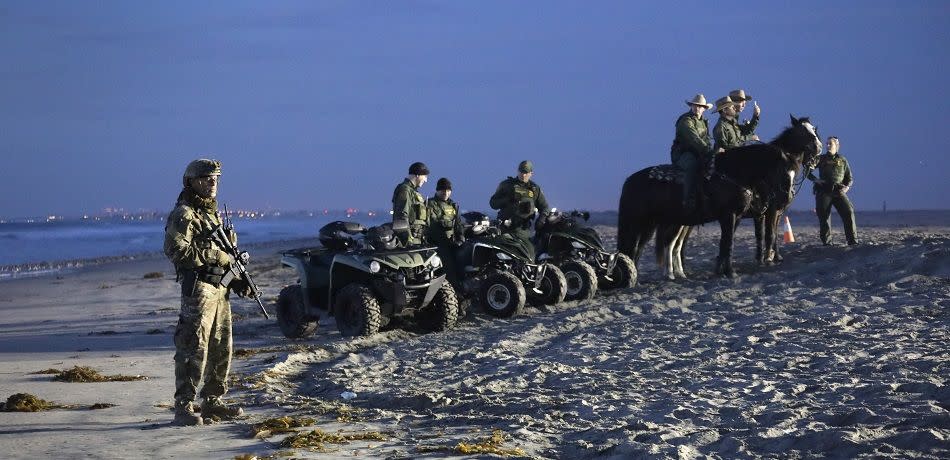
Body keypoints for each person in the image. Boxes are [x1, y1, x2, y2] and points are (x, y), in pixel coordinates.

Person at [164, 159, 248, 426]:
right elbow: (176, 251)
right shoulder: (185, 213)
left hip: (219, 287)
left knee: (221, 344)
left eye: (216, 178)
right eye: (207, 178)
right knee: (193, 344)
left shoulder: (210, 213)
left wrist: (236, 279)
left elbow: (227, 256)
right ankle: (184, 406)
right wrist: (216, 256)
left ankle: (213, 401)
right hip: (198, 288)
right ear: (191, 182)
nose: (213, 183)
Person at [807, 136, 858, 245]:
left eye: (830, 144)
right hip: (824, 191)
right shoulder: (820, 158)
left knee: (849, 211)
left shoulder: (843, 160)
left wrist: (847, 187)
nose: (828, 146)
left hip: (838, 191)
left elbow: (849, 178)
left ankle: (853, 241)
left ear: (837, 145)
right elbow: (807, 170)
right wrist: (816, 180)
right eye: (827, 144)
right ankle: (827, 243)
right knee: (824, 217)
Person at [670, 94, 713, 211]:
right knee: (692, 166)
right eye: (695, 105)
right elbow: (694, 139)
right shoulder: (685, 121)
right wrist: (710, 151)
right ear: (691, 106)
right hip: (683, 154)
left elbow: (707, 139)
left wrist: (712, 151)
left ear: (704, 108)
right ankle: (688, 200)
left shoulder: (704, 122)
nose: (697, 108)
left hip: (700, 152)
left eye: (700, 106)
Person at [489, 160, 550, 241]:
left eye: (526, 173)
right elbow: (493, 203)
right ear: (518, 171)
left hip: (523, 230)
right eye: (521, 172)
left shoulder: (534, 189)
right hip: (505, 228)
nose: (523, 175)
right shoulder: (507, 185)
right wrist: (507, 200)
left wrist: (542, 218)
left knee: (528, 252)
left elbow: (545, 207)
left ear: (531, 174)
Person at [426, 178, 465, 285]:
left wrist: (461, 238)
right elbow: (433, 225)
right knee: (449, 268)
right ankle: (454, 290)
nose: (446, 193)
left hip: (453, 243)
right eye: (443, 190)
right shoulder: (430, 204)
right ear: (437, 190)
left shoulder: (453, 205)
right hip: (438, 244)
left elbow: (458, 224)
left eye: (448, 190)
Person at [392, 162, 430, 246]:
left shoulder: (414, 192)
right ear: (417, 175)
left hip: (418, 241)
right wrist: (408, 240)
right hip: (410, 243)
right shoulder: (405, 190)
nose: (426, 180)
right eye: (425, 176)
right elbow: (401, 217)